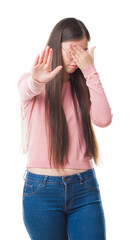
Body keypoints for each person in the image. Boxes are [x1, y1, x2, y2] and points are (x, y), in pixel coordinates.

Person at [17, 17, 113, 240]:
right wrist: (37, 80)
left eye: (84, 51)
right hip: (41, 192)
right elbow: (26, 89)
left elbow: (104, 119)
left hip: (84, 188)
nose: (77, 57)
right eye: (72, 50)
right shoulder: (31, 83)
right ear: (56, 46)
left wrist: (90, 70)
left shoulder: (84, 86)